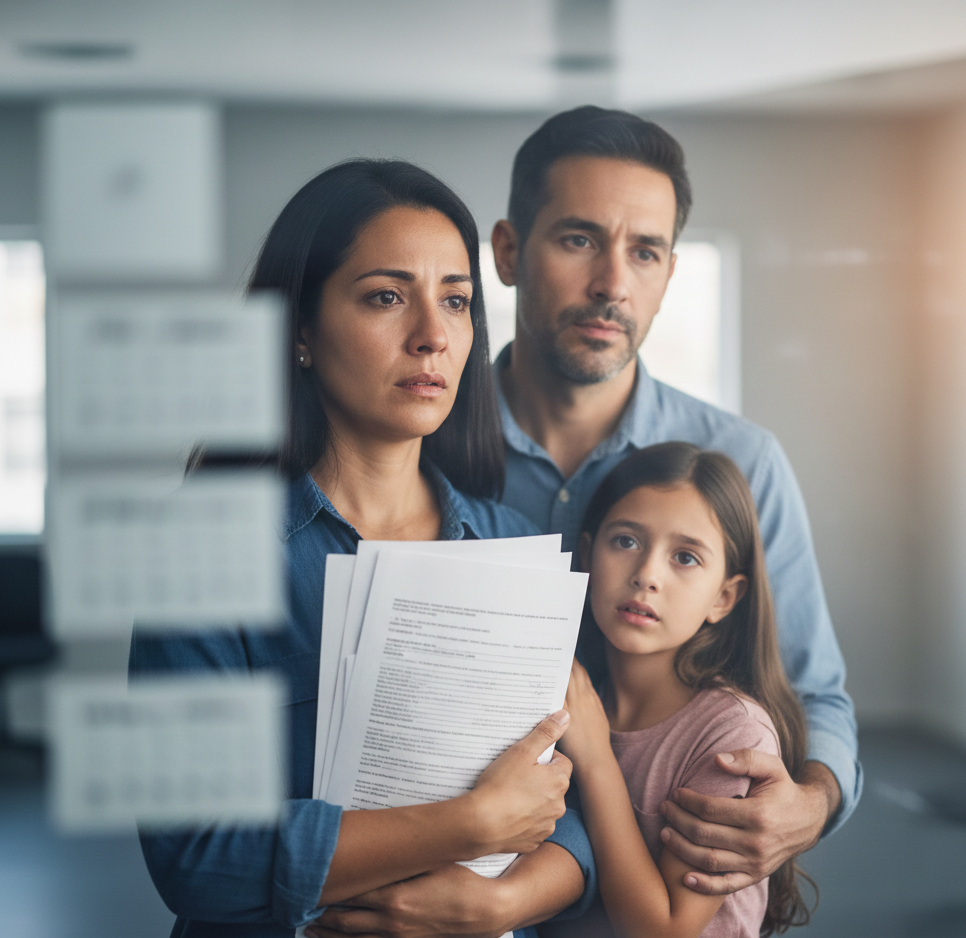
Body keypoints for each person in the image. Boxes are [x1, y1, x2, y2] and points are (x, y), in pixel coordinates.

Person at [131, 159, 595, 938]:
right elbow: (197, 855)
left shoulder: (517, 548)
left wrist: (508, 901)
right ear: (301, 331)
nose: (433, 335)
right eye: (387, 297)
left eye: (456, 300)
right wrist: (468, 825)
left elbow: (582, 807)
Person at [491, 106, 863, 897]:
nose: (612, 285)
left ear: (668, 272)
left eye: (645, 251)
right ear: (509, 252)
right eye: (579, 239)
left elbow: (814, 688)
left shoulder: (745, 462)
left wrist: (814, 801)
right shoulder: (422, 450)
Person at [549, 442, 814, 938]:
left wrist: (596, 757)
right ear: (587, 553)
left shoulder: (732, 734)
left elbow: (665, 929)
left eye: (685, 557)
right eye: (625, 542)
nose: (647, 575)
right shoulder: (577, 698)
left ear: (724, 596)